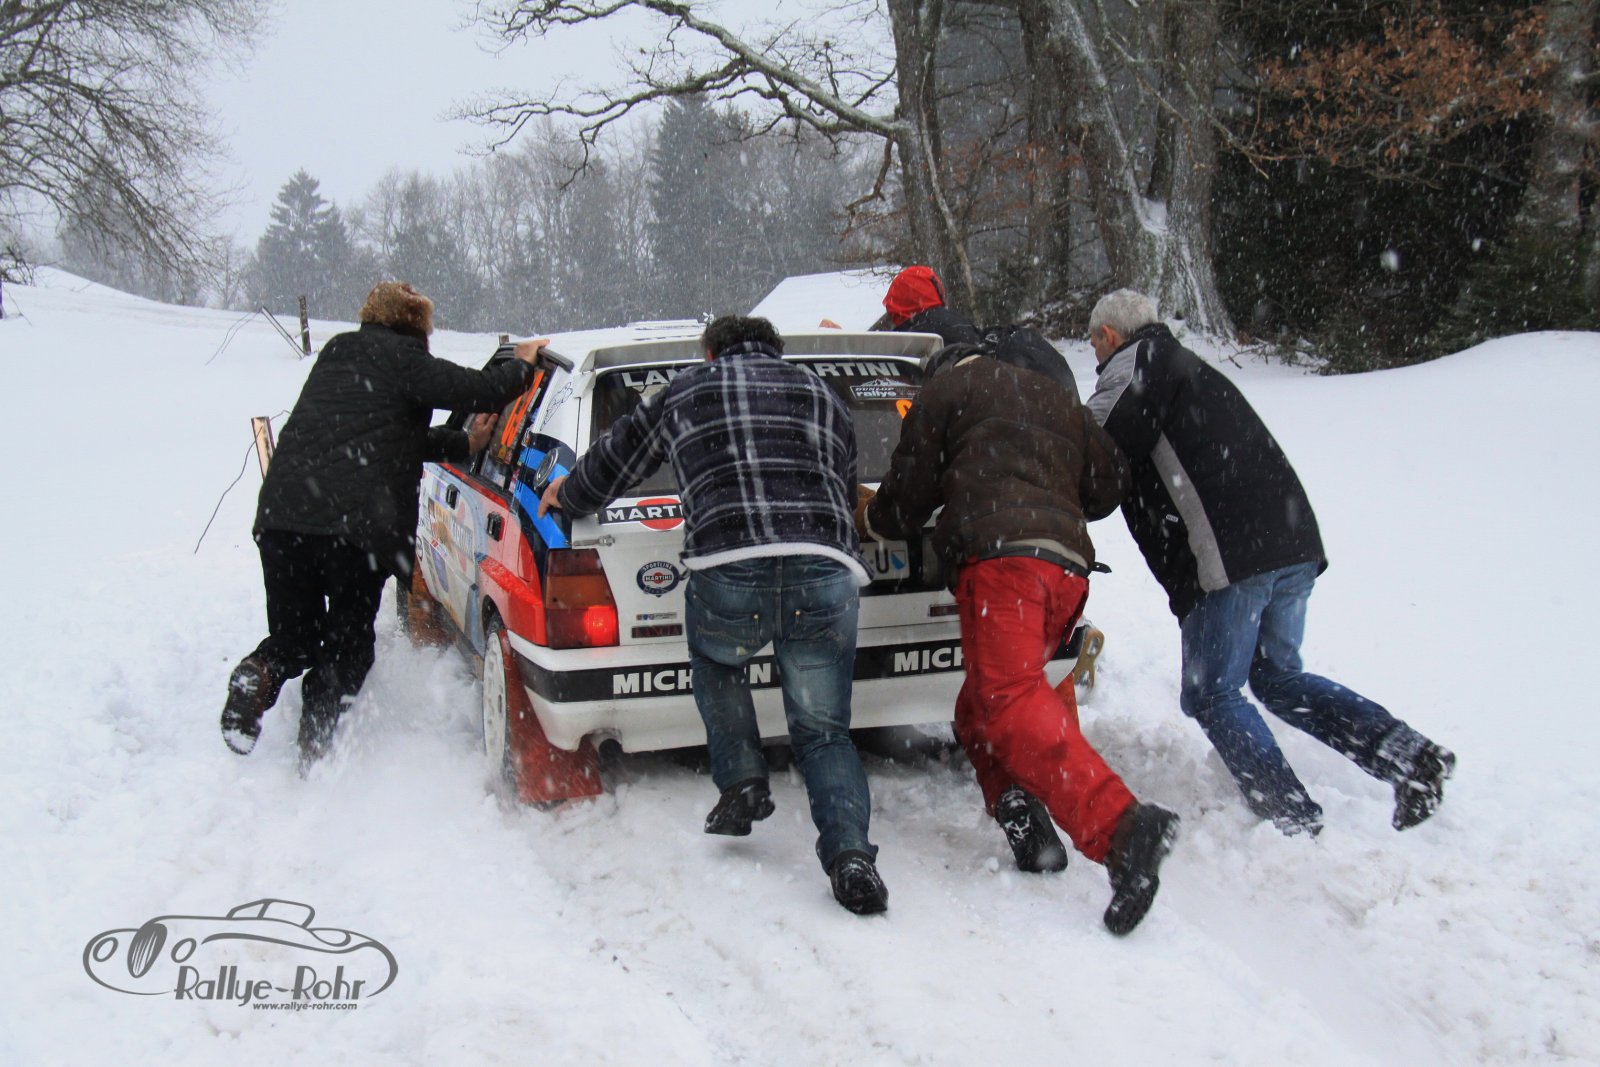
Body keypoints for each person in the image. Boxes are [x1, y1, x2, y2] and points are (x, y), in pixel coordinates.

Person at [538, 314, 889, 916]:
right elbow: (844, 480)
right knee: (825, 732)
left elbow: (616, 461)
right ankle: (851, 857)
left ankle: (742, 779)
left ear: (709, 352)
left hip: (730, 563)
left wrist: (568, 495)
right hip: (824, 568)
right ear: (776, 351)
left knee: (718, 661)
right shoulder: (823, 394)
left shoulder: (686, 390)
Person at [1084, 288, 1456, 835]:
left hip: (1232, 556)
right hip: (1291, 540)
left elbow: (1090, 448)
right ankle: (1410, 756)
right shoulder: (1188, 366)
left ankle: (1291, 816)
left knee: (1211, 693)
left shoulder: (1136, 363)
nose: (1095, 356)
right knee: (1277, 679)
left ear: (1108, 335)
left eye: (1094, 345)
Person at [860, 335, 1180, 936]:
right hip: (1067, 570)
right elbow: (1107, 484)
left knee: (1006, 700)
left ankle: (1122, 828)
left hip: (1005, 563)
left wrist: (873, 515)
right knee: (979, 707)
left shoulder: (948, 390)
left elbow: (904, 505)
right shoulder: (1055, 397)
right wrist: (1046, 491)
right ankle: (1026, 820)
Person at [221, 281, 544, 765]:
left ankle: (257, 673)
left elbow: (384, 438)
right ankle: (315, 749)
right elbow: (479, 390)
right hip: (353, 531)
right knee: (349, 648)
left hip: (283, 519)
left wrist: (465, 445)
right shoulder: (405, 360)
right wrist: (522, 365)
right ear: (415, 324)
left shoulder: (338, 352)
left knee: (295, 638)